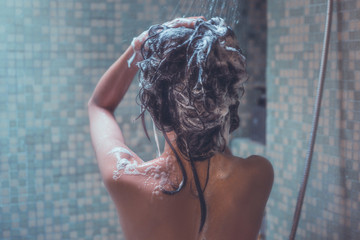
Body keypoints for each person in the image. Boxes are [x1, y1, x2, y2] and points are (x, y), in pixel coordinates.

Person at [88, 16, 273, 240]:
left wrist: (141, 44)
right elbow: (215, 129)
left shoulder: (126, 179)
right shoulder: (257, 176)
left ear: (157, 107)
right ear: (224, 101)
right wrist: (216, 62)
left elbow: (99, 106)